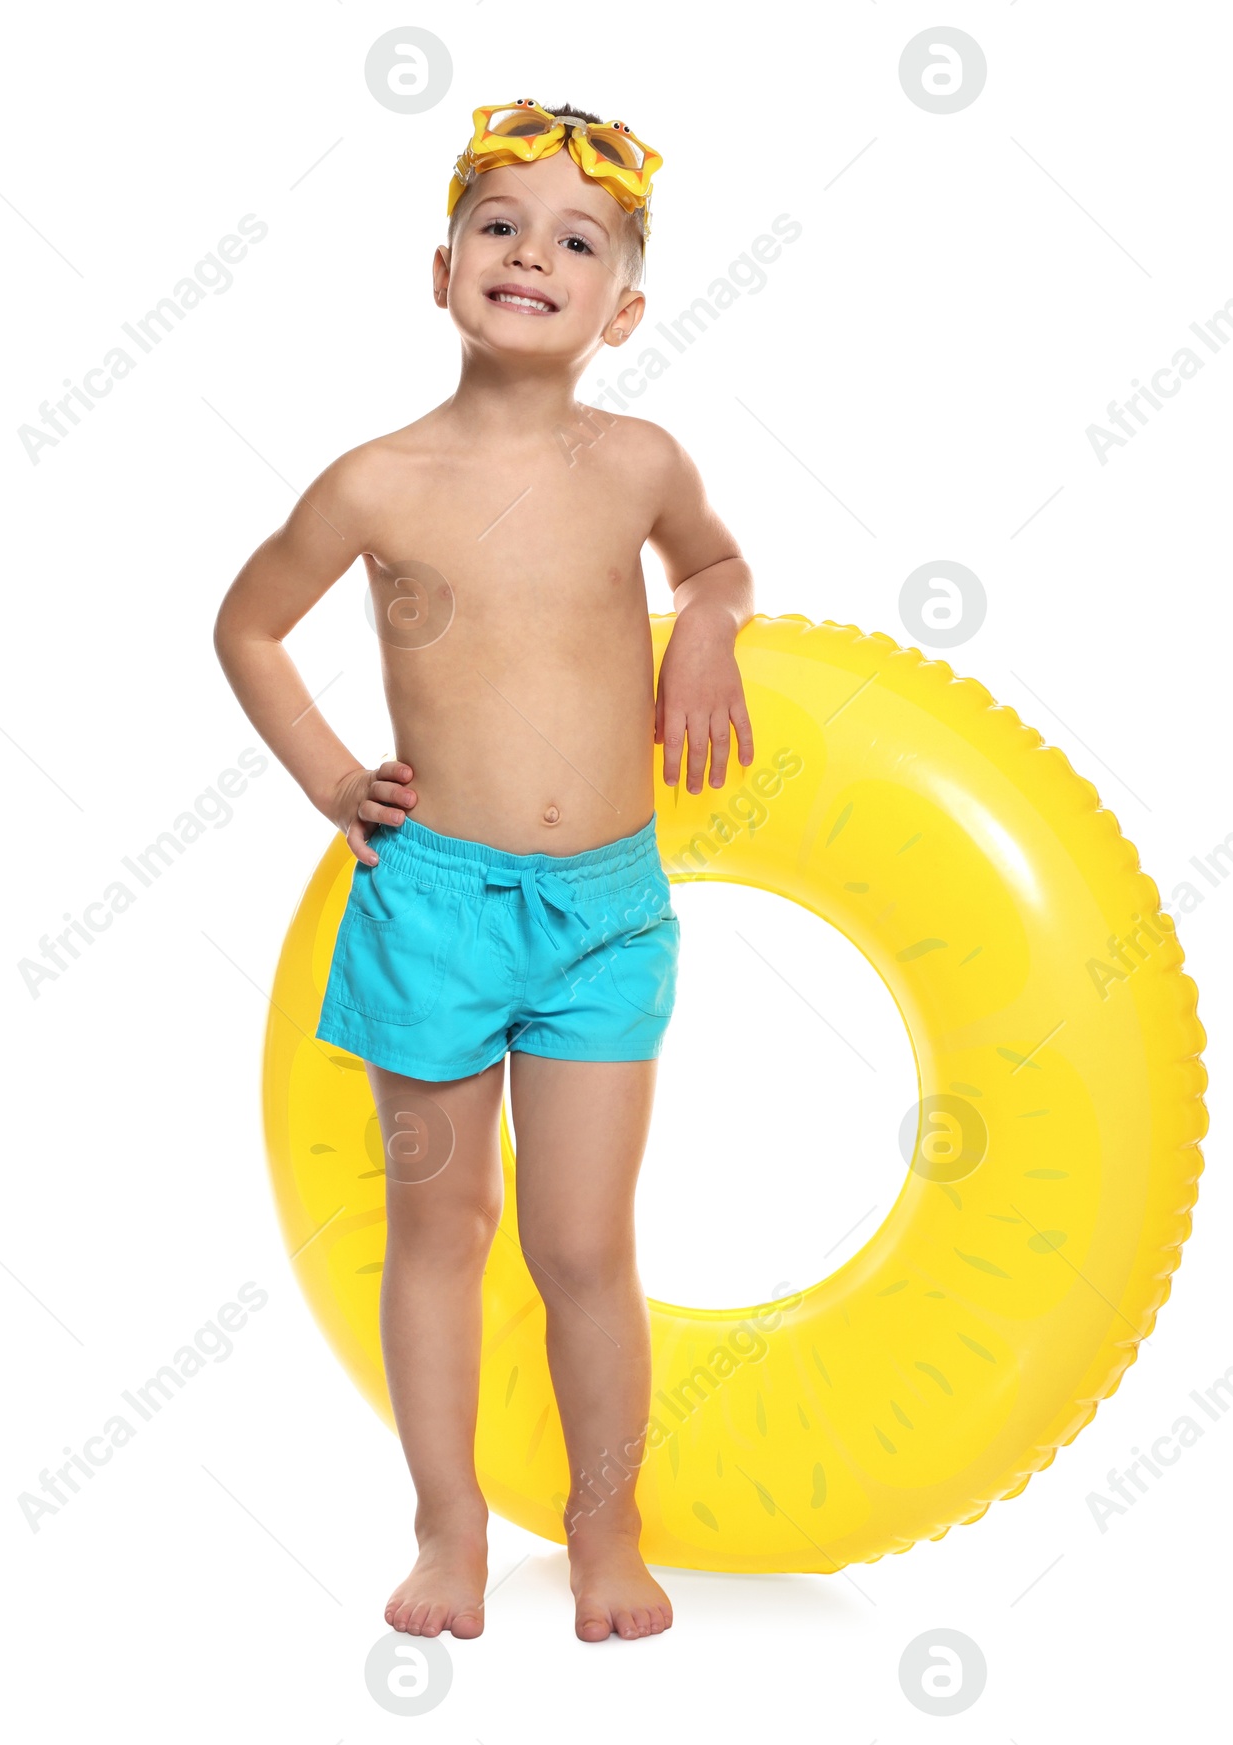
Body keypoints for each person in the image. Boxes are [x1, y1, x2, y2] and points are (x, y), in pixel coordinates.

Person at [214, 99, 754, 1643]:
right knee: (441, 1232)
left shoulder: (641, 462)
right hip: (434, 904)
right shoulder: (375, 483)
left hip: (603, 916)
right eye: (501, 226)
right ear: (439, 265)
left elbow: (716, 559)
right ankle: (448, 1528)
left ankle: (605, 1527)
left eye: (577, 240)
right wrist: (332, 778)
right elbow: (246, 624)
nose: (533, 253)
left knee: (582, 1242)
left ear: (623, 307)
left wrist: (707, 619)